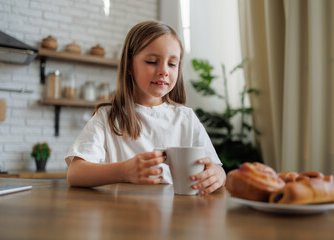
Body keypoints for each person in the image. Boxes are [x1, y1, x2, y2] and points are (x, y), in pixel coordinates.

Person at [65, 20, 226, 195]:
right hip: (122, 215)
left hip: (177, 217)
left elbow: (216, 169)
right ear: (129, 66)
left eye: (172, 64)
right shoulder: (107, 117)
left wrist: (218, 174)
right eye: (151, 61)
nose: (164, 70)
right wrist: (125, 171)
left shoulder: (186, 118)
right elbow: (75, 174)